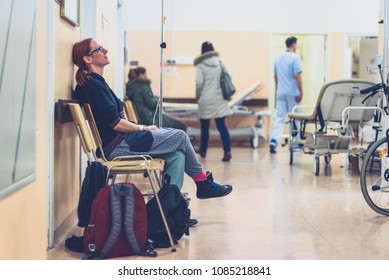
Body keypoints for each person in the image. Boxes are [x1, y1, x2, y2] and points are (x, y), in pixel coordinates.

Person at [72, 38, 233, 202]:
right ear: (88, 59)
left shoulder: (97, 84)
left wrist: (143, 128)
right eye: (99, 49)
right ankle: (203, 183)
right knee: (180, 136)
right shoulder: (94, 87)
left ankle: (168, 211)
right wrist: (143, 128)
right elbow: (116, 123)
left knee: (177, 156)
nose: (105, 50)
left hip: (122, 141)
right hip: (118, 146)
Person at [194, 41, 233, 162]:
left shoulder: (200, 65)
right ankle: (227, 151)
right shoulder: (220, 63)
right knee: (222, 126)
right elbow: (229, 77)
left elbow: (199, 83)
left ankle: (203, 150)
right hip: (219, 98)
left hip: (205, 99)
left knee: (204, 126)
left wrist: (198, 96)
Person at [269, 36, 303, 154]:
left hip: (281, 92)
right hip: (293, 93)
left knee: (279, 117)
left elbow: (275, 76)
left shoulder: (278, 58)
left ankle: (273, 141)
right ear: (293, 45)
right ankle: (295, 144)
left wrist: (278, 89)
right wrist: (301, 91)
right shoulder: (295, 57)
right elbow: (297, 76)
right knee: (295, 118)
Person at [126, 66, 187, 132]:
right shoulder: (143, 87)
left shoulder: (132, 88)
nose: (147, 76)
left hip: (145, 117)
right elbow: (151, 104)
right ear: (141, 75)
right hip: (152, 119)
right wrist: (157, 99)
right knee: (181, 126)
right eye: (146, 74)